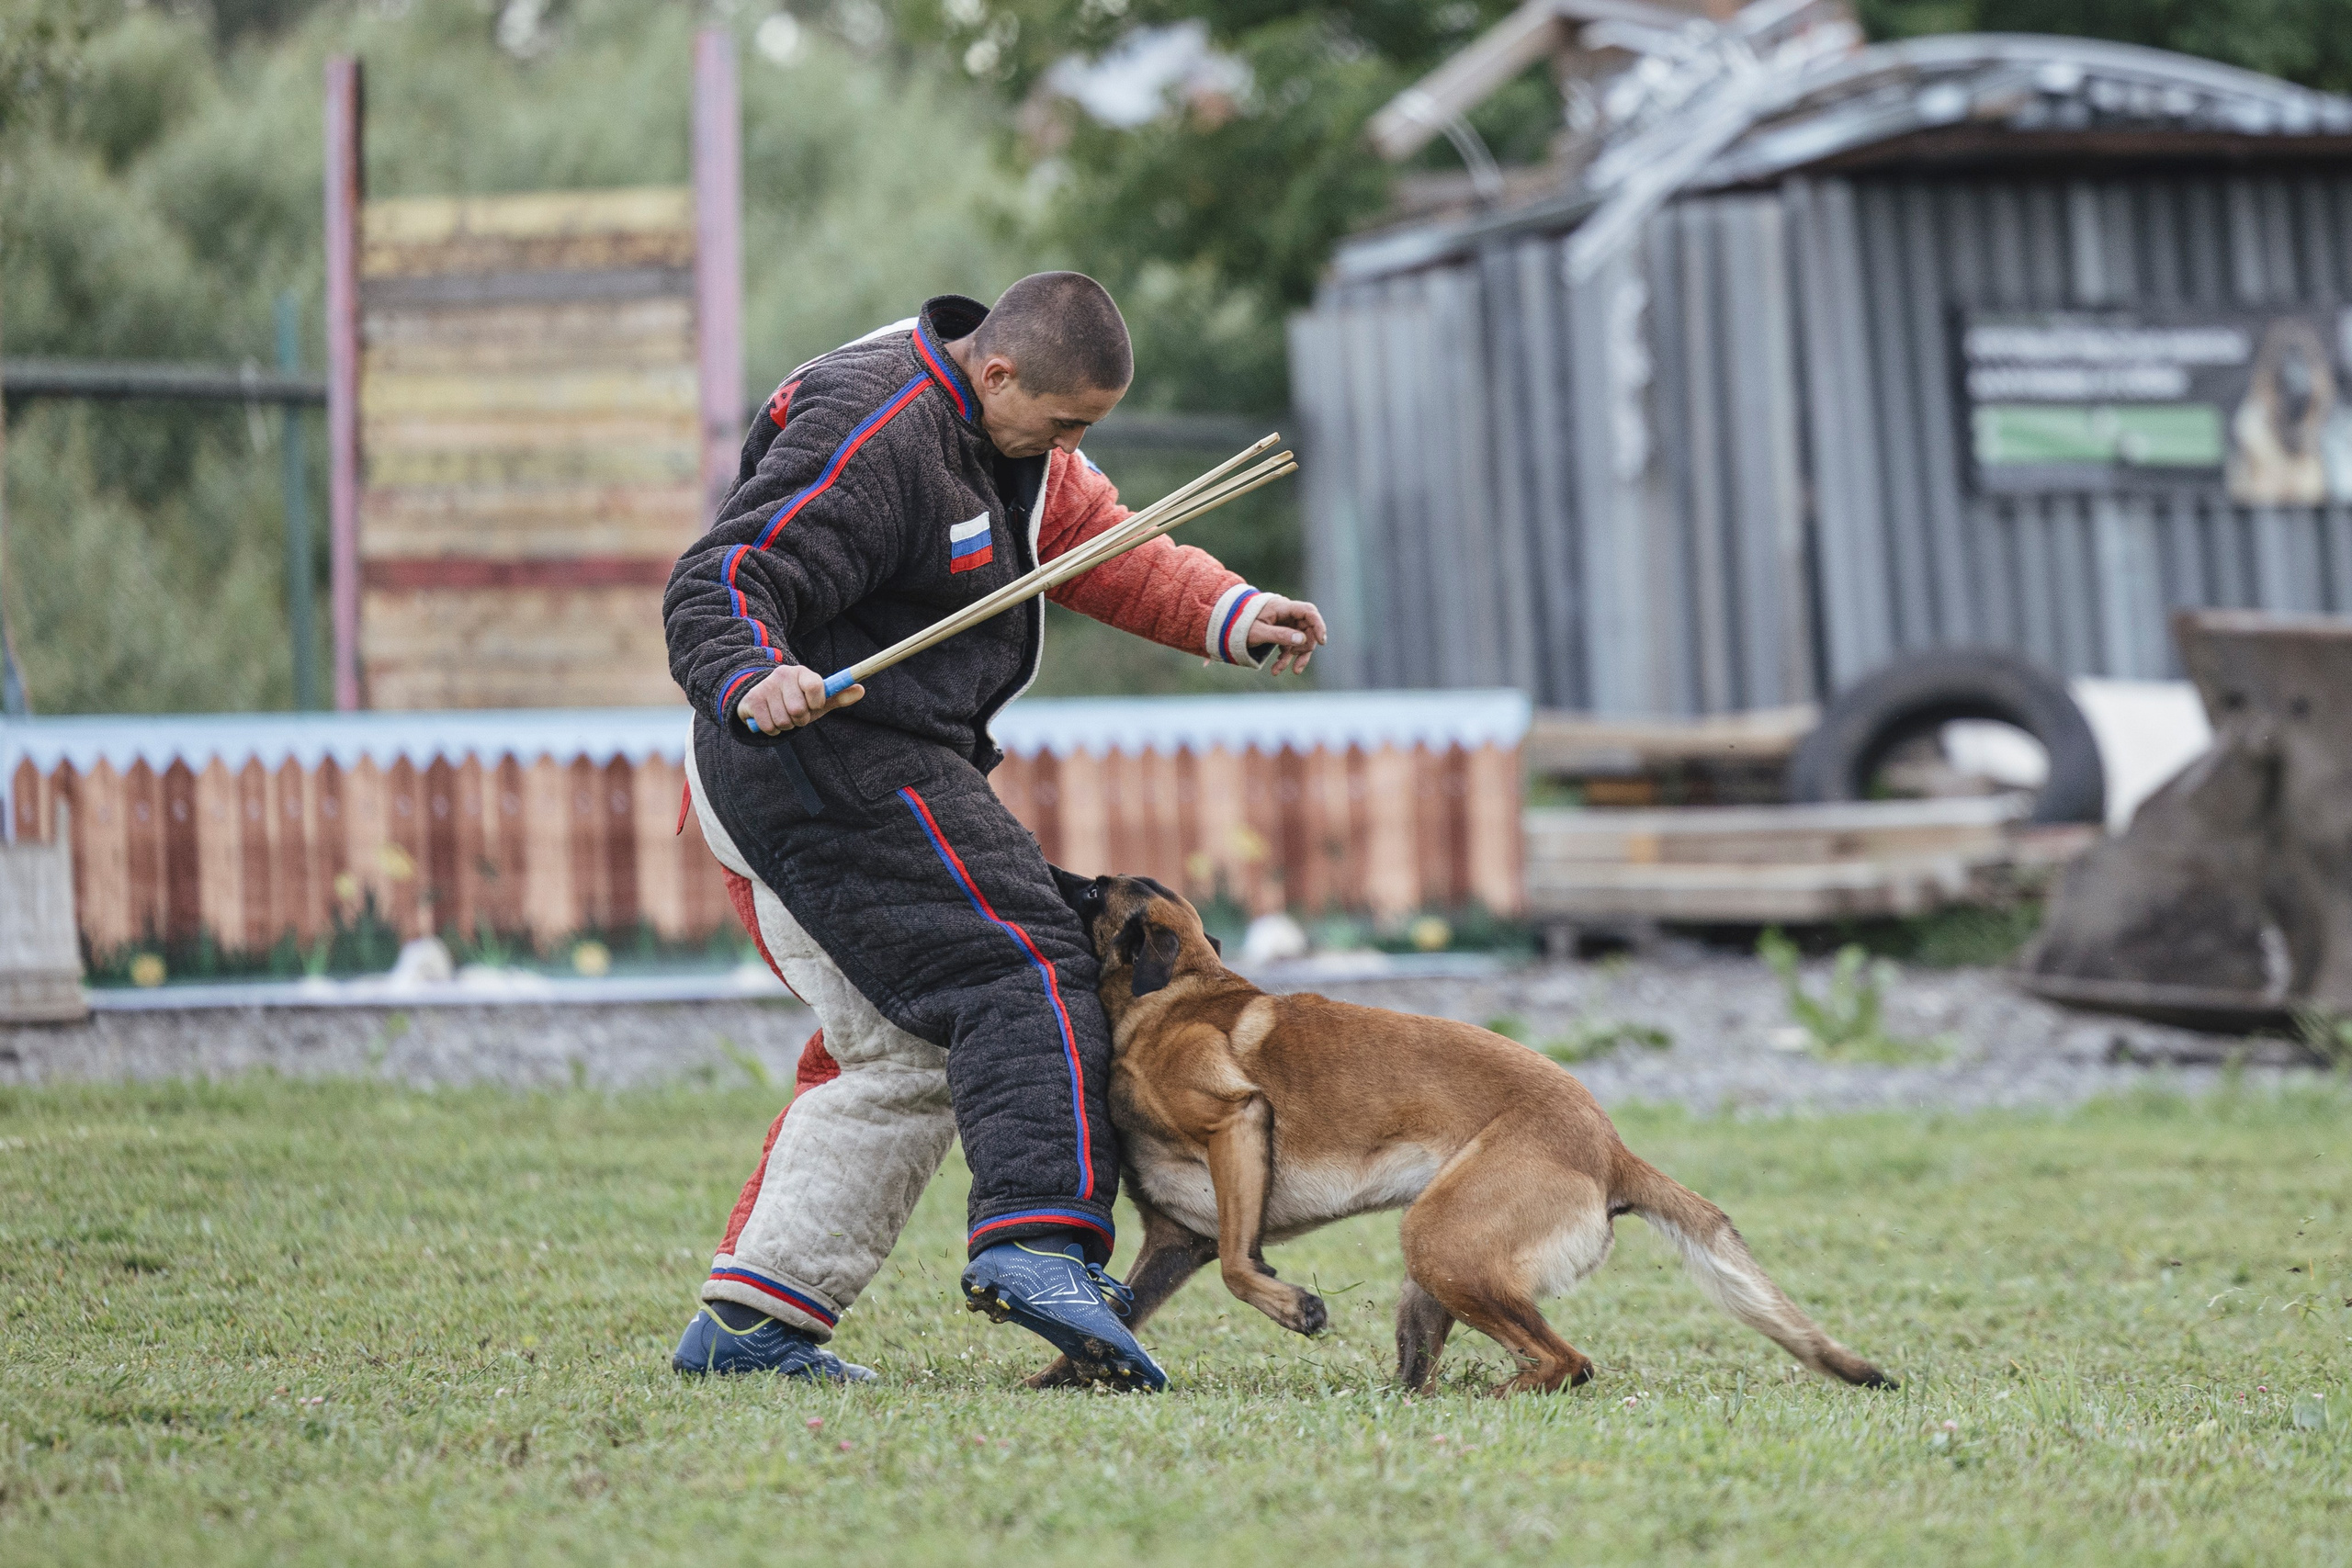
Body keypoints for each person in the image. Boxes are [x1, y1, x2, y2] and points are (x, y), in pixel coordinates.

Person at [662, 273, 1327, 1389]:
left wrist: (1233, 613)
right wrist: (754, 672)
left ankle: (752, 1326)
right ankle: (1038, 1245)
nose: (1070, 450)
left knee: (898, 1048)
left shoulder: (1017, 439)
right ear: (999, 370)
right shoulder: (878, 428)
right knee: (1025, 959)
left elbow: (1103, 545)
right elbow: (722, 579)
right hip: (811, 752)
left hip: (885, 756)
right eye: (1065, 426)